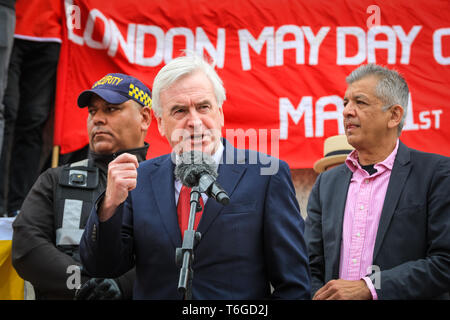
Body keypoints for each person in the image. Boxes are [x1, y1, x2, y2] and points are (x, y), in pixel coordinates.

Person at [80, 54, 311, 299]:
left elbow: (293, 286)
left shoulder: (266, 175)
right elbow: (101, 267)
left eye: (203, 107)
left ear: (220, 113)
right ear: (160, 123)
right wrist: (109, 206)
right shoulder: (141, 178)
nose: (194, 121)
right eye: (179, 111)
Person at [305, 64, 450, 300]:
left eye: (359, 102)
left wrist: (370, 288)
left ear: (394, 115)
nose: (347, 111)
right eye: (345, 103)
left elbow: (445, 262)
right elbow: (310, 262)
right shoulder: (326, 184)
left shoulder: (437, 174)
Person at [11, 73, 152, 299]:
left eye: (110, 109)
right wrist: (83, 284)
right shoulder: (54, 180)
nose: (97, 119)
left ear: (144, 118)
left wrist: (121, 286)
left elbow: (170, 256)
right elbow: (26, 249)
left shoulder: (164, 183)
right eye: (92, 111)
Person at [0, 0, 62, 217]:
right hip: (9, 22)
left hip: (52, 32)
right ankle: (3, 205)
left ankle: (18, 206)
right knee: (7, 112)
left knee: (34, 119)